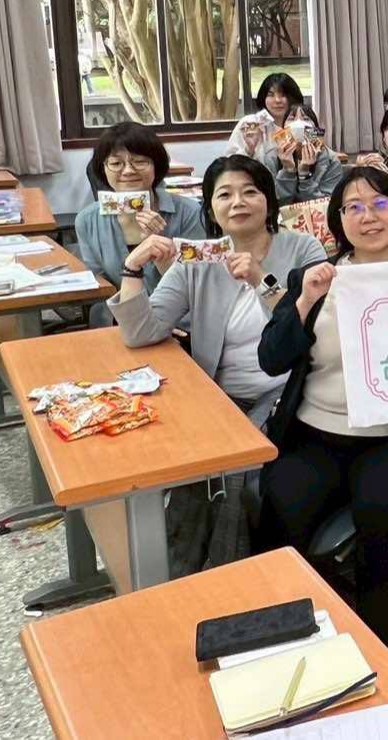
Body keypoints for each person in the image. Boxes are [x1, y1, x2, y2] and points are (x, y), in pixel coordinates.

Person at [256, 167, 388, 644]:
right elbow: (271, 358)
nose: (369, 217)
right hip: (315, 433)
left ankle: (376, 644)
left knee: (379, 515)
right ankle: (276, 636)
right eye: (355, 207)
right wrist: (304, 301)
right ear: (338, 219)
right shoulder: (314, 278)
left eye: (381, 204)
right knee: (280, 506)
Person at [109, 156, 327, 573]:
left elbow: (312, 326)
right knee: (193, 472)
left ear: (269, 201)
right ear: (210, 209)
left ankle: (225, 581)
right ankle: (180, 579)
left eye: (250, 191)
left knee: (230, 472)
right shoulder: (198, 258)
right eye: (224, 195)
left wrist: (261, 280)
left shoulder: (303, 249)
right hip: (218, 398)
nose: (238, 202)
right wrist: (132, 268)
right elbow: (141, 331)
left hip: (282, 394)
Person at [76, 123, 205, 326]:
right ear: (103, 168)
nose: (128, 171)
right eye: (116, 163)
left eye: (140, 162)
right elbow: (100, 286)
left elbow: (198, 285)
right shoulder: (87, 220)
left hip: (180, 320)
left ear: (157, 166)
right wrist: (136, 322)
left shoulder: (189, 212)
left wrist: (163, 251)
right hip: (122, 321)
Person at [263, 103, 345, 205]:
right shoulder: (271, 158)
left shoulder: (331, 160)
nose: (298, 123)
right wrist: (287, 170)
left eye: (306, 119)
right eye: (291, 119)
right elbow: (274, 203)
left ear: (315, 129)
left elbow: (328, 204)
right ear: (283, 128)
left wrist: (305, 175)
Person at [225, 72, 304, 158]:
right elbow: (229, 161)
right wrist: (248, 150)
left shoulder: (304, 123)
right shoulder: (250, 123)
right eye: (271, 95)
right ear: (263, 97)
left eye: (283, 95)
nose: (277, 100)